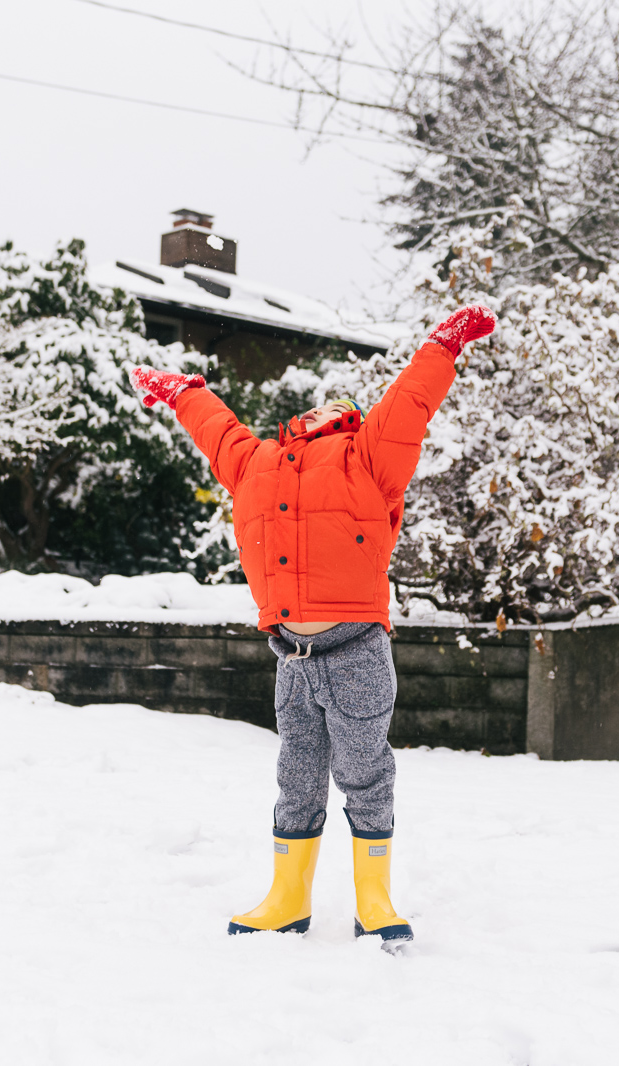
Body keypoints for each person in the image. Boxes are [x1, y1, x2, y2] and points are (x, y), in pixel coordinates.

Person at [131, 304, 497, 948]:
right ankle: (287, 898)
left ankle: (374, 900)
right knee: (297, 774)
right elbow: (216, 428)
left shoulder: (364, 456)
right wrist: (185, 393)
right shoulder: (260, 461)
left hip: (355, 649)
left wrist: (443, 347)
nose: (322, 416)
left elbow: (409, 404)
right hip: (292, 658)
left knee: (365, 771)